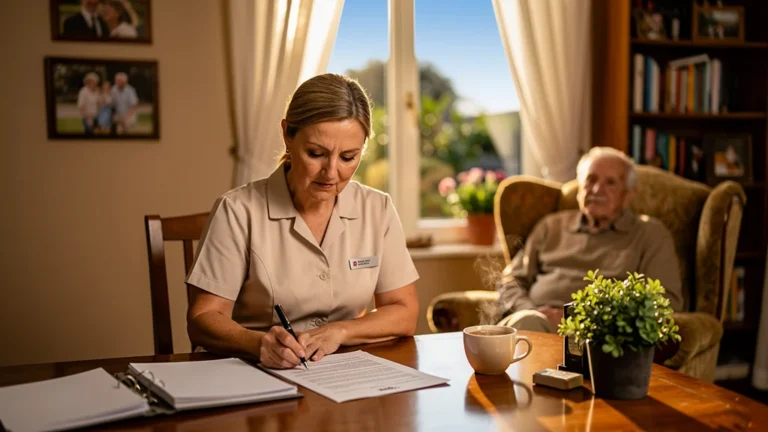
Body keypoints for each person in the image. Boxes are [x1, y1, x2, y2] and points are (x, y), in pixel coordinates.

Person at [186, 73, 420, 369]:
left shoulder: (378, 208)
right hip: (255, 375)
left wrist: (341, 330)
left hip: (343, 378)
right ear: (287, 134)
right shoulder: (236, 211)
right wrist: (260, 344)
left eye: (348, 157)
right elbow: (203, 318)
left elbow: (404, 311)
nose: (331, 173)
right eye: (316, 154)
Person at [496, 147, 683, 333]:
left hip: (599, 334)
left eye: (610, 183)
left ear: (628, 195)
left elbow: (666, 301)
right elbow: (511, 281)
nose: (596, 189)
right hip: (533, 322)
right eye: (590, 179)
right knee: (500, 332)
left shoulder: (649, 234)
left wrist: (574, 318)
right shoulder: (550, 226)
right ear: (579, 189)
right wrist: (531, 312)